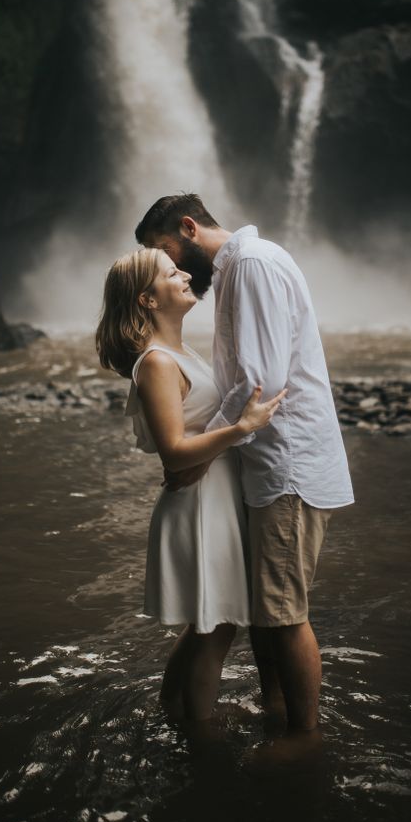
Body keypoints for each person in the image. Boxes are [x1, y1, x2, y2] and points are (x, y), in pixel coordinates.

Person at [135, 195, 354, 733]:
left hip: (288, 466)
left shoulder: (252, 264)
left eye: (169, 252)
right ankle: (276, 713)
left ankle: (304, 737)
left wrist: (201, 453)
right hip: (265, 466)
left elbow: (261, 380)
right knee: (266, 613)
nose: (177, 271)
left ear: (188, 228)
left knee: (282, 613)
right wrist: (209, 451)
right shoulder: (235, 271)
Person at [95, 247, 286, 724]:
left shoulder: (180, 353)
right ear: (148, 299)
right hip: (199, 504)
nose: (184, 274)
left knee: (211, 626)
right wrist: (243, 427)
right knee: (214, 628)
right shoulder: (157, 363)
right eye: (169, 273)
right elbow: (175, 452)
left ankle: (172, 710)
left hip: (214, 496)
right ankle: (203, 748)